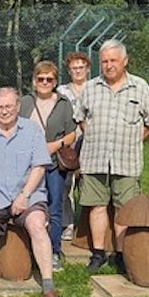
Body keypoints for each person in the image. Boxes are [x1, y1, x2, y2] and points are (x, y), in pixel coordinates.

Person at [0, 87, 62, 297]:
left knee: (37, 225)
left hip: (28, 195)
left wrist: (25, 195)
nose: (4, 111)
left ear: (18, 106)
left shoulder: (33, 131)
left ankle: (49, 288)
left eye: (8, 106)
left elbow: (39, 166)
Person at [74, 39, 149, 274]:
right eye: (105, 61)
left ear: (125, 61)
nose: (109, 65)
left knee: (125, 208)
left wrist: (133, 140)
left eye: (113, 60)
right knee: (97, 206)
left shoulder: (140, 87)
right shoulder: (91, 87)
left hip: (127, 160)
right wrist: (91, 135)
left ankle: (122, 254)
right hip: (95, 159)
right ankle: (98, 253)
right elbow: (80, 117)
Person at [19, 61, 76, 271]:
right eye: (41, 78)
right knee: (28, 205)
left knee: (54, 207)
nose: (44, 82)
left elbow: (72, 133)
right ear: (34, 81)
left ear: (55, 81)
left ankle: (53, 251)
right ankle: (27, 250)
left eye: (49, 79)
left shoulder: (63, 103)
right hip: (27, 165)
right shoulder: (25, 102)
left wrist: (55, 145)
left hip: (53, 163)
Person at [57, 52, 90, 241]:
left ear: (87, 69)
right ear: (69, 71)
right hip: (68, 141)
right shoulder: (62, 91)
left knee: (88, 183)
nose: (77, 71)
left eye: (81, 67)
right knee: (67, 184)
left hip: (91, 140)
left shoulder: (95, 87)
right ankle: (67, 224)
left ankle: (87, 226)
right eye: (74, 68)